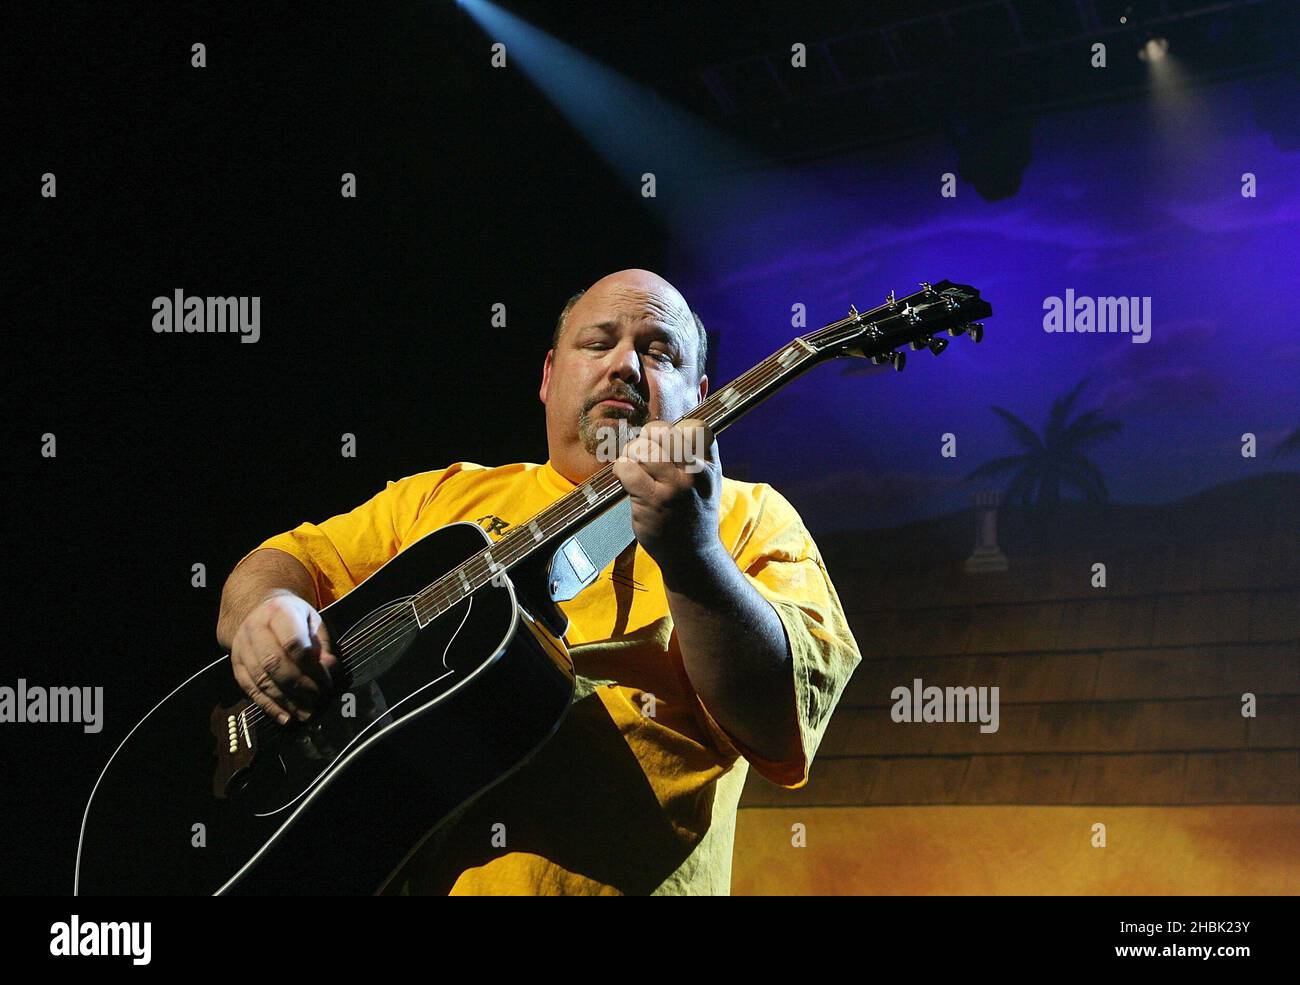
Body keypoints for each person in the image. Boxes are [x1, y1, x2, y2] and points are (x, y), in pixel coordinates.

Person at [215, 268, 862, 895]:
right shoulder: (445, 496)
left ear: (699, 395)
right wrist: (266, 605)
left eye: (659, 352)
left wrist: (693, 554)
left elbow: (780, 730)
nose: (626, 366)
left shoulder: (751, 516)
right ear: (550, 376)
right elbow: (287, 559)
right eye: (598, 342)